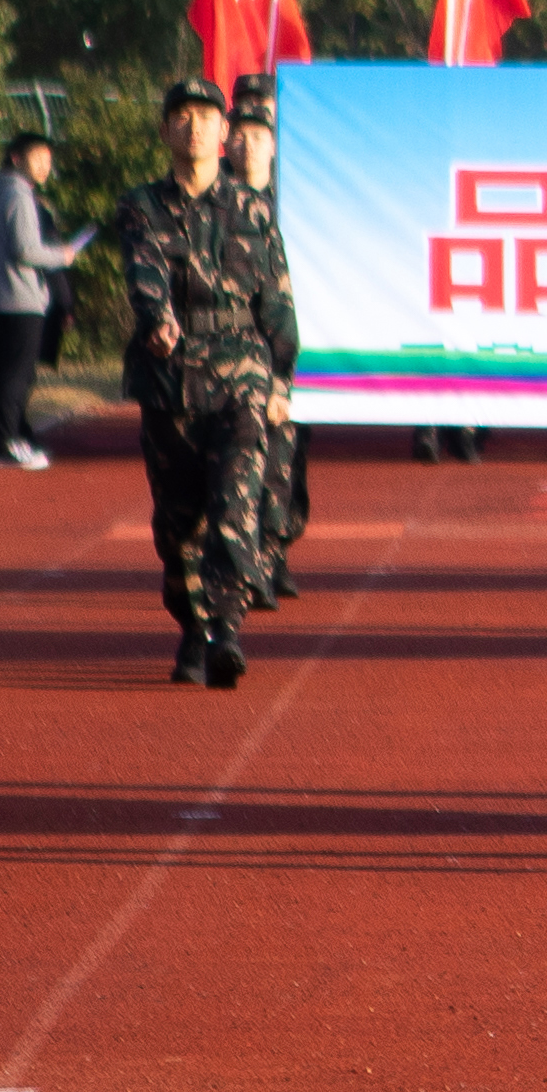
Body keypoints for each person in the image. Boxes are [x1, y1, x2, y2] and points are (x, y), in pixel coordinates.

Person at [113, 77, 295, 688]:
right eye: (182, 117)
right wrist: (157, 320)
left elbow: (278, 301)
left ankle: (226, 628)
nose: (195, 128)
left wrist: (281, 380)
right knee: (177, 523)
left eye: (206, 118)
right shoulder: (142, 206)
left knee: (235, 502)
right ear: (166, 131)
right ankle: (192, 627)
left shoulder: (254, 211)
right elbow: (145, 275)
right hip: (171, 384)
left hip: (241, 376)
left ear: (224, 134)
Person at [227, 81, 309, 603]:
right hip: (232, 352)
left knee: (286, 454)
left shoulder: (298, 200)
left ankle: (277, 548)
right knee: (240, 459)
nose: (250, 140)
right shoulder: (217, 198)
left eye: (262, 129)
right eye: (243, 129)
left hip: (286, 344)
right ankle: (249, 558)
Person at [0, 130, 93, 467]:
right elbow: (26, 250)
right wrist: (63, 255)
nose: (44, 167)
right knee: (17, 377)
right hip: (20, 300)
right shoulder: (20, 196)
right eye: (37, 159)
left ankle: (6, 438)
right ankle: (7, 442)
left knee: (7, 375)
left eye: (48, 161)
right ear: (16, 158)